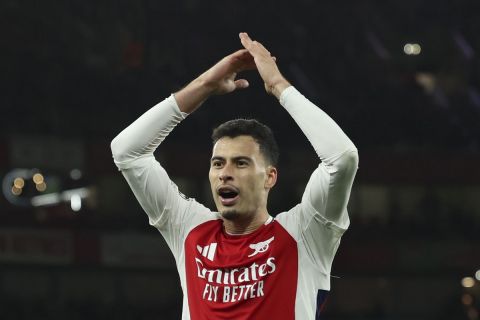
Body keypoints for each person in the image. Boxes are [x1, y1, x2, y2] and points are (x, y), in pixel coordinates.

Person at [111, 32, 358, 320]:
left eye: (240, 163)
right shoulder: (189, 229)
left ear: (270, 177)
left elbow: (342, 158)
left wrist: (278, 86)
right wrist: (203, 85)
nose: (225, 174)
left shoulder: (305, 233)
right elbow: (126, 151)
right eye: (218, 164)